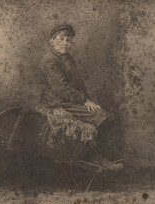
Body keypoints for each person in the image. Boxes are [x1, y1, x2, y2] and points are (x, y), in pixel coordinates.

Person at [39, 24, 122, 169]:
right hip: (57, 102)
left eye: (69, 40)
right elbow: (61, 88)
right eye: (61, 39)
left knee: (107, 115)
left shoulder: (67, 58)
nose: (65, 43)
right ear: (52, 41)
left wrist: (89, 101)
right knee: (102, 117)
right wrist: (83, 101)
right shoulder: (49, 60)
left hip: (70, 100)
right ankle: (95, 158)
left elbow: (78, 84)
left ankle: (97, 155)